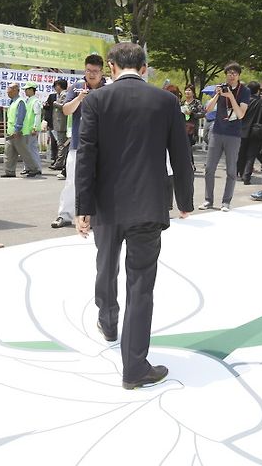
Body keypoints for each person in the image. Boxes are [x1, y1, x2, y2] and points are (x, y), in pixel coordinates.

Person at [74, 42, 194, 390]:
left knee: (105, 263)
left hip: (106, 205)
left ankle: (108, 321)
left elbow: (86, 156)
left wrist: (83, 208)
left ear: (111, 67)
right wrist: (184, 201)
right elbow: (181, 156)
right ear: (144, 68)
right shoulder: (166, 101)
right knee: (141, 285)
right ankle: (135, 368)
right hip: (148, 204)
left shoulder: (96, 100)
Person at [51, 54, 106, 228]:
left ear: (102, 71)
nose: (92, 74)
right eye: (88, 71)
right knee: (72, 181)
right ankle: (64, 214)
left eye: (95, 71)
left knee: (103, 181)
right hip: (78, 144)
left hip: (103, 145)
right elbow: (66, 110)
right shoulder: (76, 87)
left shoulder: (109, 88)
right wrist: (80, 98)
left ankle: (97, 217)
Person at [199, 62, 250, 212]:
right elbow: (208, 110)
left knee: (231, 170)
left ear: (238, 75)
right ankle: (208, 200)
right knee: (209, 168)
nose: (231, 76)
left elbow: (240, 114)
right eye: (229, 73)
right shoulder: (220, 88)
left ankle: (226, 202)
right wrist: (217, 94)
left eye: (234, 73)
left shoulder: (244, 91)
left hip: (233, 134)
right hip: (217, 132)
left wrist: (230, 96)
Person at [0, 82, 42, 178]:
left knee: (24, 152)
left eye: (9, 91)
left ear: (15, 90)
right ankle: (9, 171)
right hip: (11, 132)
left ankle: (34, 169)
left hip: (17, 132)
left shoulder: (21, 102)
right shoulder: (13, 102)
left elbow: (20, 116)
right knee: (9, 153)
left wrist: (17, 129)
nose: (7, 93)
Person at [237, 80, 262, 185]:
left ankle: (240, 172)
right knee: (251, 155)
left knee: (241, 153)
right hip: (257, 132)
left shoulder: (243, 101)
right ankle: (246, 176)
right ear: (258, 90)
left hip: (242, 130)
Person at [48, 79, 69, 178]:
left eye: (55, 86)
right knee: (62, 144)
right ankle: (60, 162)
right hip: (60, 123)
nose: (55, 88)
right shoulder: (61, 95)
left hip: (62, 124)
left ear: (59, 86)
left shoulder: (64, 94)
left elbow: (64, 106)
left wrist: (55, 103)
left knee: (61, 144)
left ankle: (59, 163)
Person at [22, 82, 43, 175]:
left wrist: (35, 127)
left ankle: (36, 168)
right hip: (27, 130)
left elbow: (37, 115)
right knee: (27, 150)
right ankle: (28, 167)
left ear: (31, 89)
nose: (25, 91)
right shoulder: (28, 100)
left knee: (31, 150)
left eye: (26, 89)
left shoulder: (35, 101)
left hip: (31, 129)